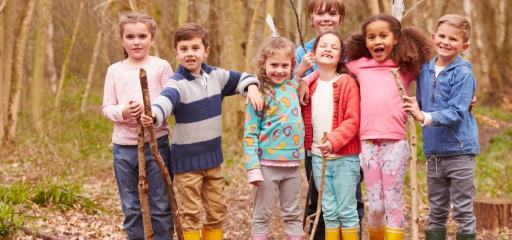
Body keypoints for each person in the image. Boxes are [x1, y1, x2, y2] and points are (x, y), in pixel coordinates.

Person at [140, 23, 262, 240]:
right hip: (187, 166)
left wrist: (252, 86)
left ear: (206, 51)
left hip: (213, 162)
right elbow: (164, 101)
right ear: (176, 53)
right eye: (184, 49)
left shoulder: (216, 76)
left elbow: (243, 77)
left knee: (217, 210)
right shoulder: (177, 84)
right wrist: (154, 115)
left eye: (195, 48)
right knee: (191, 213)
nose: (190, 53)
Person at [403, 14, 479, 240]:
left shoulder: (463, 73)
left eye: (453, 39)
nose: (446, 42)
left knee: (463, 210)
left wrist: (423, 116)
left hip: (460, 151)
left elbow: (457, 112)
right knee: (436, 210)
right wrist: (414, 109)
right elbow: (421, 102)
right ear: (434, 37)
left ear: (464, 45)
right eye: (442, 36)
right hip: (434, 153)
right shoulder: (424, 70)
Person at [294, 1, 365, 238]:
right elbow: (287, 86)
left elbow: (352, 116)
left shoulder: (349, 63)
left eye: (332, 13)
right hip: (315, 152)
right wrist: (301, 77)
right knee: (324, 205)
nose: (326, 18)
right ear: (311, 16)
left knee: (350, 204)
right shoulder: (301, 53)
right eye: (320, 13)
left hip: (344, 153)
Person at [102, 12, 174, 239]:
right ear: (122, 39)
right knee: (131, 206)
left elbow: (172, 102)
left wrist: (154, 116)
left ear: (152, 38)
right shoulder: (115, 70)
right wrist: (123, 112)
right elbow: (106, 107)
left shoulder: (161, 67)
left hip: (156, 144)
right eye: (130, 36)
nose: (136, 42)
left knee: (160, 205)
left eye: (142, 36)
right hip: (123, 147)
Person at [244, 36, 305, 240]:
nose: (279, 70)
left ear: (291, 66)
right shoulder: (259, 93)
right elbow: (250, 133)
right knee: (262, 214)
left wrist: (305, 66)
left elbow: (302, 75)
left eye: (284, 65)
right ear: (263, 65)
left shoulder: (293, 86)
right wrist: (253, 167)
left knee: (293, 214)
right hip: (266, 165)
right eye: (274, 65)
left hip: (293, 164)